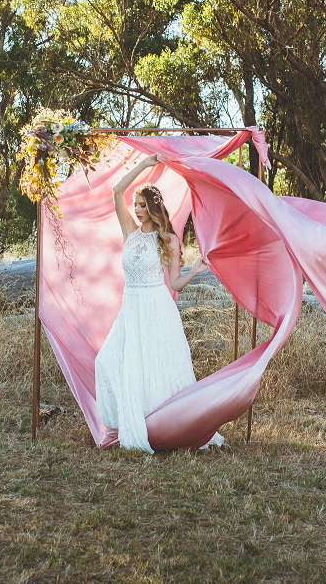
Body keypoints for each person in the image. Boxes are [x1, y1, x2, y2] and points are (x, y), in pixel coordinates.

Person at [95, 152, 226, 452]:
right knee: (108, 362)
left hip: (157, 307)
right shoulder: (130, 232)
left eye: (142, 205)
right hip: (131, 308)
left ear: (154, 208)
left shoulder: (168, 240)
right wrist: (144, 166)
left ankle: (167, 427)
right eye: (136, 205)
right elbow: (117, 191)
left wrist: (194, 271)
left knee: (156, 370)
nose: (137, 210)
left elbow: (175, 283)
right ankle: (133, 423)